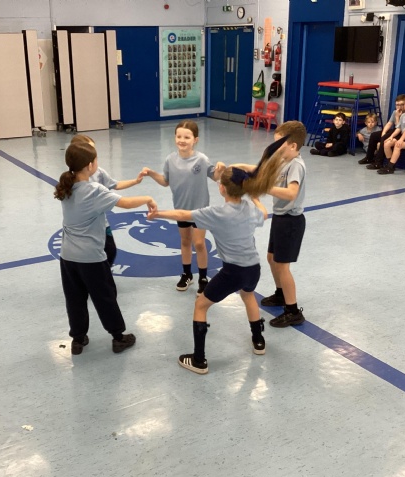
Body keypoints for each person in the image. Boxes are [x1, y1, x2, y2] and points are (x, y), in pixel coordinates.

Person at [147, 142, 287, 374]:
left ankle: (199, 360)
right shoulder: (250, 209)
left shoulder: (215, 213)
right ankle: (258, 341)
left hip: (232, 271)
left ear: (222, 189)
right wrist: (255, 198)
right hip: (253, 268)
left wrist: (158, 213)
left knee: (200, 305)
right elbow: (263, 214)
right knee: (248, 296)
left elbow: (183, 214)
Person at [54, 142, 157, 355]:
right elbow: (125, 203)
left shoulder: (66, 186)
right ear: (90, 166)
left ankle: (78, 339)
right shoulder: (94, 190)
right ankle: (118, 337)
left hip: (67, 257)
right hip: (91, 257)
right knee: (105, 297)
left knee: (74, 298)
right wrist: (148, 198)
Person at [141, 120, 225, 295]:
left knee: (199, 243)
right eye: (179, 136)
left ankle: (203, 277)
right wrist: (151, 173)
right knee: (185, 241)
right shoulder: (170, 159)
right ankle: (187, 274)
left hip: (200, 210)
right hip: (180, 209)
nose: (182, 140)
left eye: (187, 137)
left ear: (195, 140)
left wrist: (220, 169)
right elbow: (165, 181)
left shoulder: (201, 159)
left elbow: (215, 176)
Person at [70, 134, 144, 265]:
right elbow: (126, 203)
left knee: (110, 251)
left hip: (101, 223)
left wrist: (135, 181)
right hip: (85, 227)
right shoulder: (72, 180)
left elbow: (115, 184)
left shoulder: (99, 173)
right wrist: (147, 199)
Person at [261, 121, 308, 328]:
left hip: (291, 221)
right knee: (272, 258)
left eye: (278, 144)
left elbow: (291, 193)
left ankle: (293, 311)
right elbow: (263, 172)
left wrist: (264, 187)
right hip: (280, 217)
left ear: (293, 146)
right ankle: (281, 294)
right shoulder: (283, 159)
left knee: (282, 265)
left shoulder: (295, 165)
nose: (275, 147)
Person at [363, 94, 405, 168]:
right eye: (397, 105)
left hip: (401, 133)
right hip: (395, 130)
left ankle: (379, 162)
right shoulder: (395, 112)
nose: (399, 107)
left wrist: (397, 117)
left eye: (401, 104)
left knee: (384, 138)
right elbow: (389, 123)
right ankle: (369, 158)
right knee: (374, 135)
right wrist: (383, 132)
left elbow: (400, 128)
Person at [379, 94, 405, 175]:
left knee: (398, 145)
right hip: (403, 136)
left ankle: (390, 167)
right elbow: (398, 128)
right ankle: (391, 164)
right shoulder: (403, 115)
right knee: (387, 143)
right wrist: (391, 136)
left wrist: (400, 140)